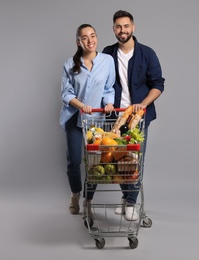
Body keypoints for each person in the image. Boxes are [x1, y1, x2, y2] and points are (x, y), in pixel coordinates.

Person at [103, 10, 165, 221]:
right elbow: (101, 82)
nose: (122, 30)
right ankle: (126, 198)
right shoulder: (107, 53)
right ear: (113, 29)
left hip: (138, 118)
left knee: (135, 160)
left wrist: (143, 105)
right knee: (119, 160)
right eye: (118, 27)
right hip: (115, 117)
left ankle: (131, 202)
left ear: (133, 27)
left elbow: (158, 85)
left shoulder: (147, 53)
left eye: (126, 26)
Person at [59, 24, 115, 217]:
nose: (90, 40)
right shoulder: (69, 64)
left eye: (93, 36)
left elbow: (109, 88)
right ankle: (75, 194)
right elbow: (66, 93)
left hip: (96, 120)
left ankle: (88, 201)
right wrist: (81, 105)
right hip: (75, 117)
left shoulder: (107, 61)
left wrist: (108, 103)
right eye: (85, 37)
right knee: (73, 161)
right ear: (78, 41)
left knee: (94, 163)